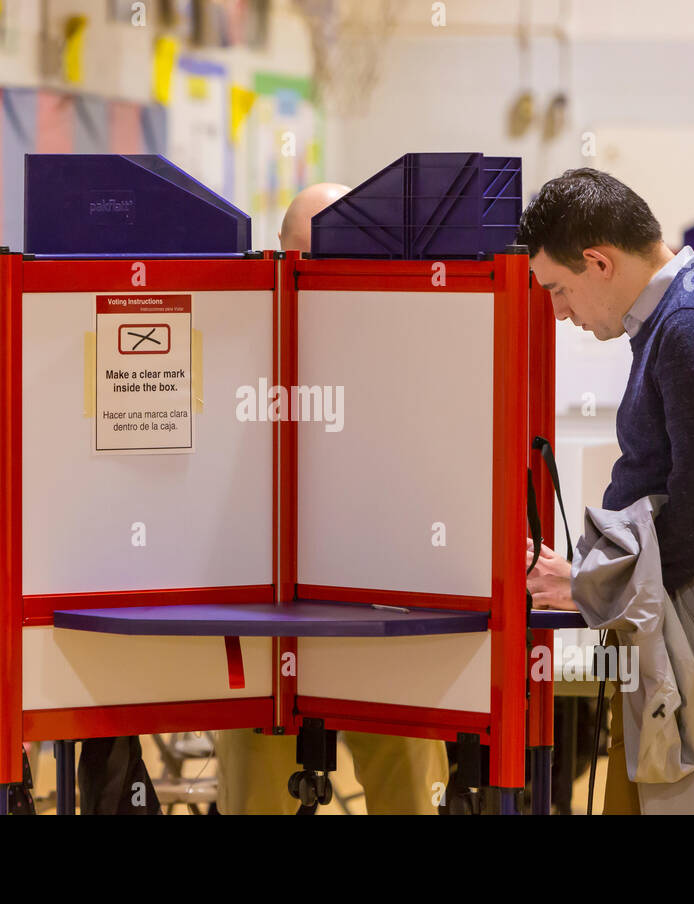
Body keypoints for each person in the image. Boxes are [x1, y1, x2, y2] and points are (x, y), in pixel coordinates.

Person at [516, 168, 694, 814]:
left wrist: (588, 581)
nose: (558, 314)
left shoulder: (693, 328)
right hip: (686, 607)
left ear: (598, 262)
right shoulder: (684, 312)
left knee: (661, 800)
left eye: (558, 290)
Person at [213, 182, 449, 815]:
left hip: (384, 611)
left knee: (411, 785)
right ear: (281, 254)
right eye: (313, 257)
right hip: (263, 611)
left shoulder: (418, 342)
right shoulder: (239, 338)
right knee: (254, 793)